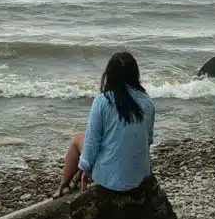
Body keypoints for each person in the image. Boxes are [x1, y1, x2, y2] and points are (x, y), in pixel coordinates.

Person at [53, 51, 155, 198]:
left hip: (110, 179)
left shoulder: (103, 101)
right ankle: (70, 181)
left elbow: (92, 141)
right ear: (135, 74)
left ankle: (63, 186)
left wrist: (85, 168)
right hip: (139, 176)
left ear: (109, 74)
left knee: (77, 140)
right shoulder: (147, 102)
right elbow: (148, 140)